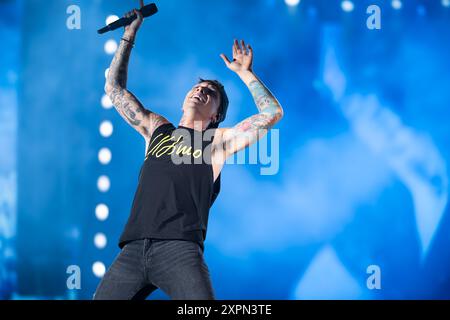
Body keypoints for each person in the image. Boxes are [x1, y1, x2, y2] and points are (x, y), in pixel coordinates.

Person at [94, 8, 284, 300]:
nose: (200, 90)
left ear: (216, 114)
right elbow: (113, 87)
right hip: (132, 248)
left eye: (210, 92)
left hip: (179, 249)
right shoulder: (157, 128)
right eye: (197, 86)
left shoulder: (217, 140)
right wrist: (128, 36)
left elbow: (271, 113)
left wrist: (246, 74)